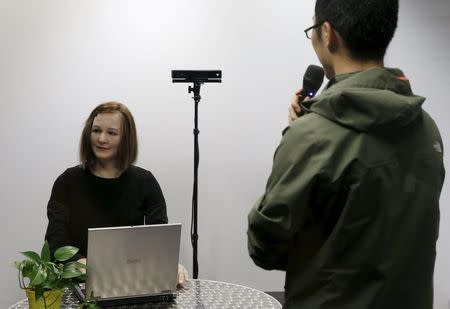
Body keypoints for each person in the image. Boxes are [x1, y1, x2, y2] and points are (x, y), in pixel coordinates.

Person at [247, 0, 445, 308]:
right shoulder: (427, 130)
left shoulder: (311, 138)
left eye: (313, 30)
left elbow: (264, 246)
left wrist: (298, 139)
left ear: (328, 34)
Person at [45, 101, 188, 286]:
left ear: (126, 138)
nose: (102, 139)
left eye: (111, 133)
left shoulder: (145, 182)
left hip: (131, 284)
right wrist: (82, 264)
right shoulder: (67, 181)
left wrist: (170, 265)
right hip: (78, 285)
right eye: (96, 131)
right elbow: (56, 244)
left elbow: (158, 242)